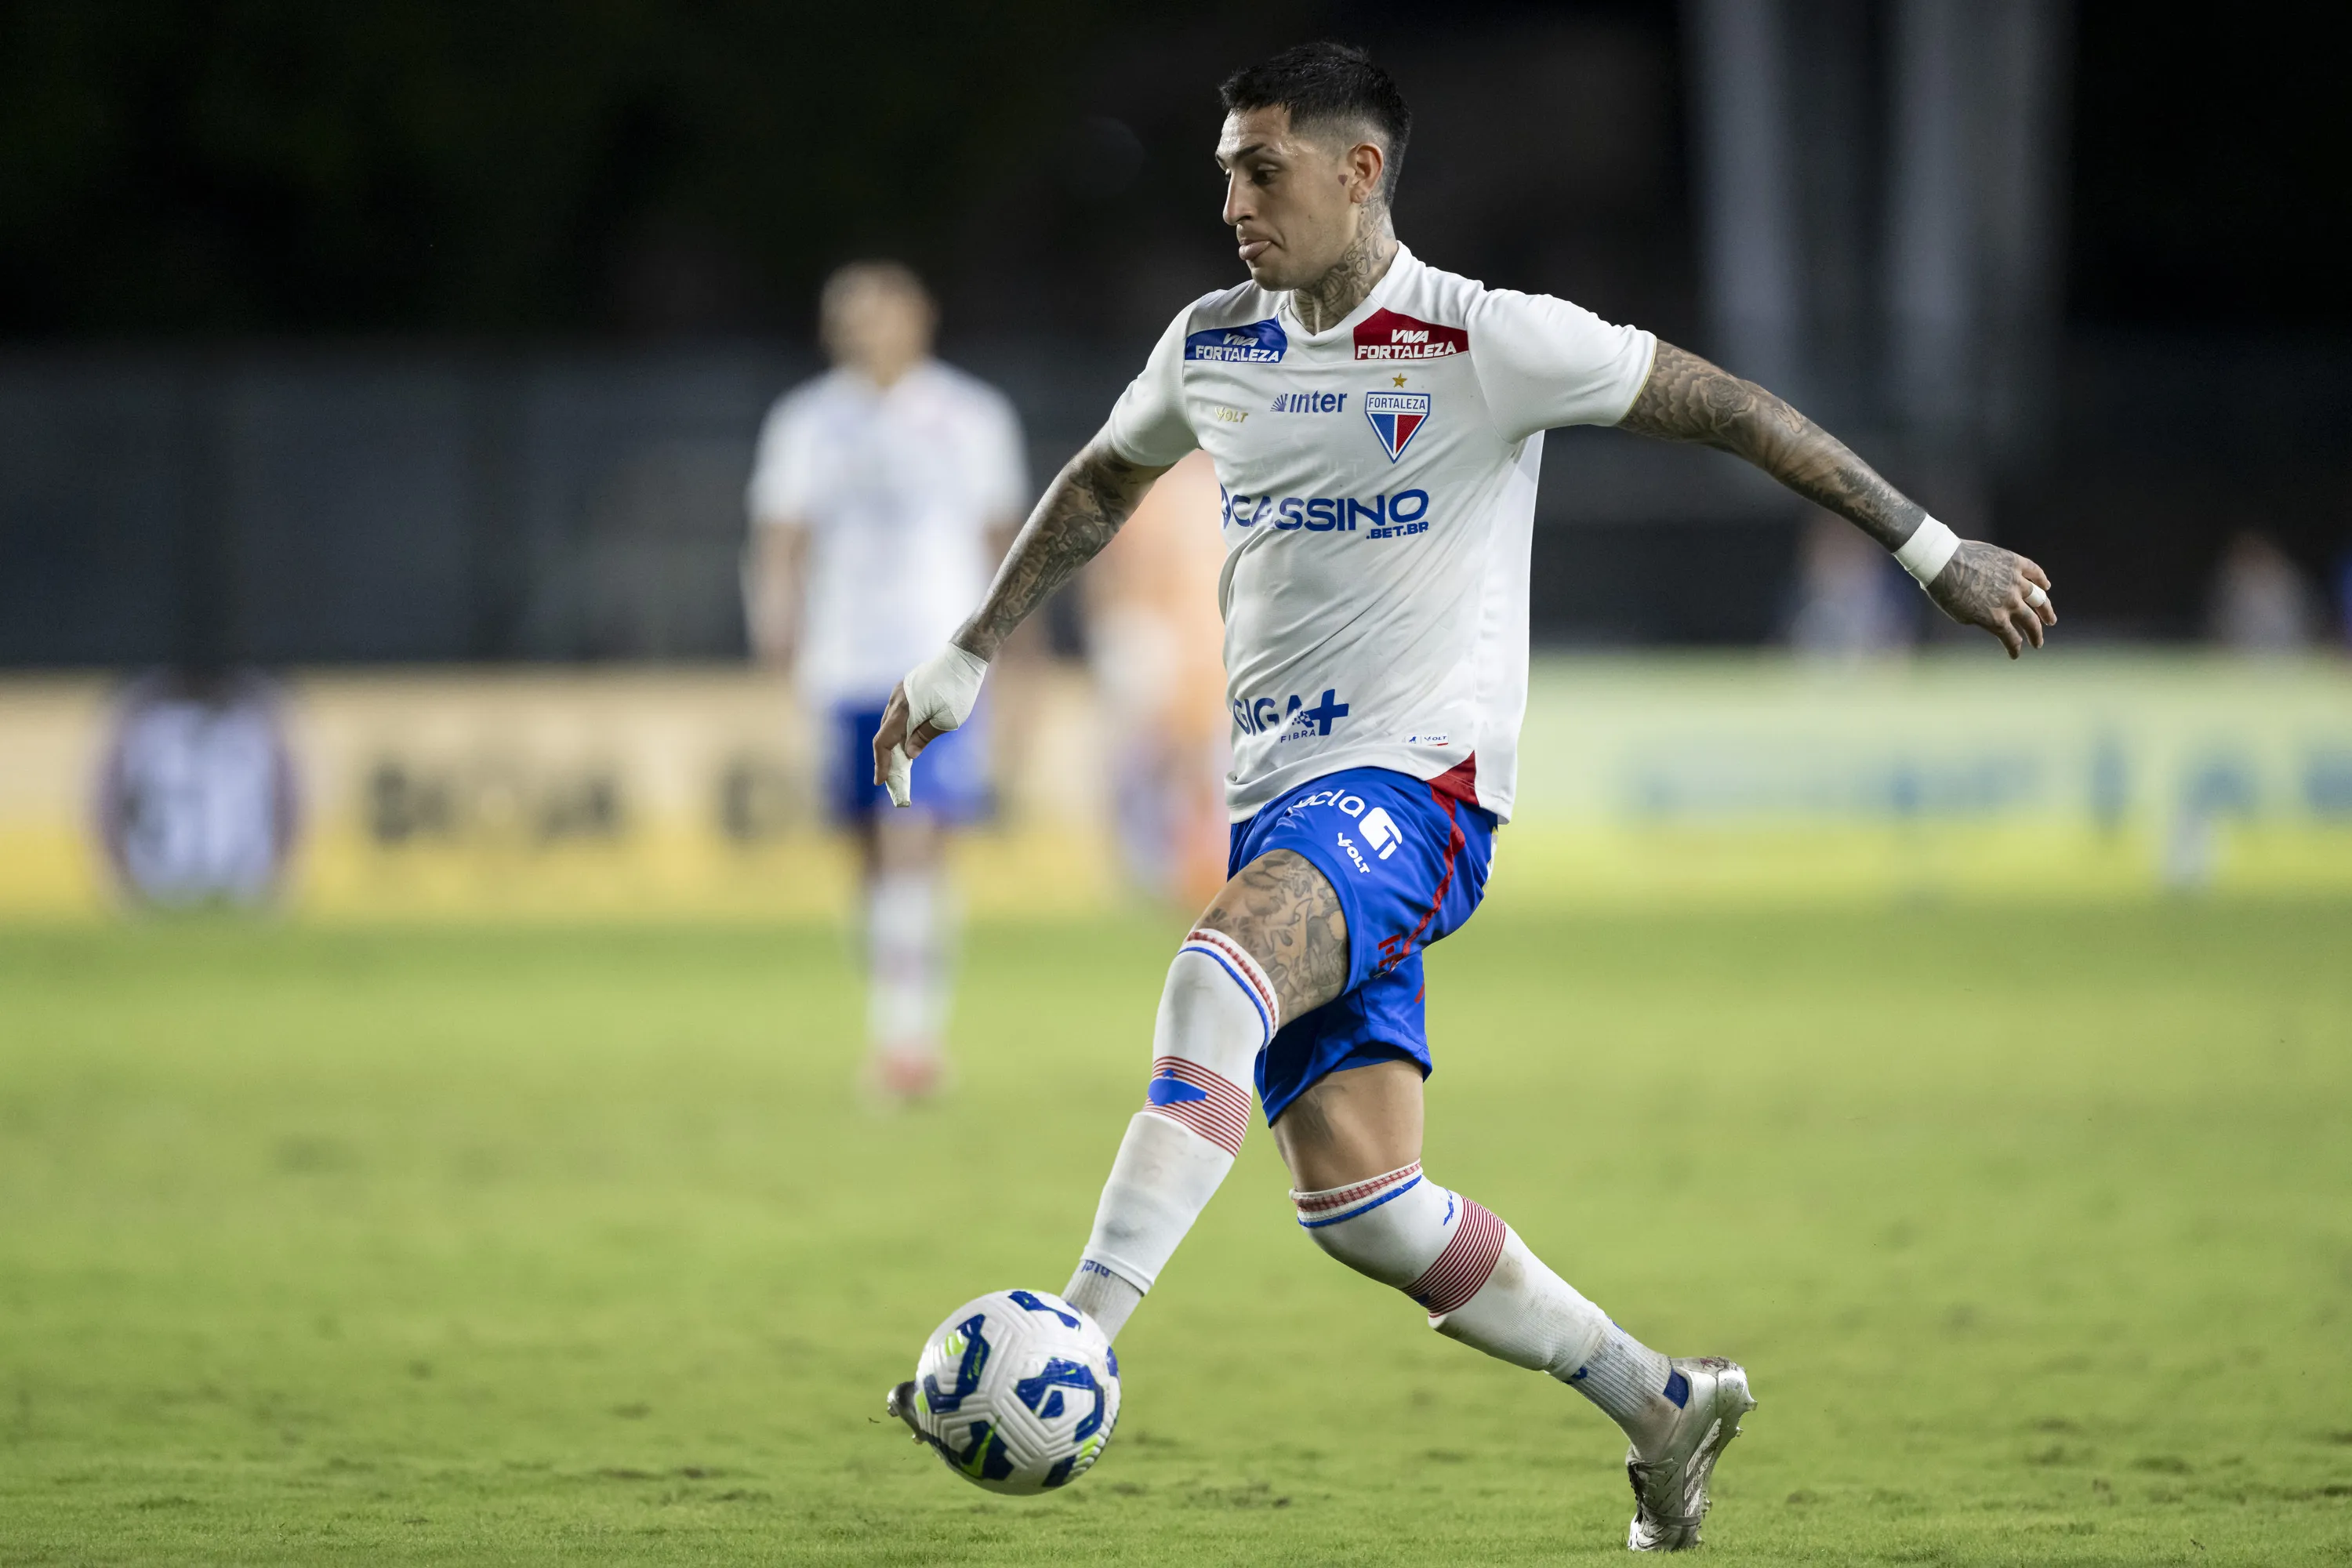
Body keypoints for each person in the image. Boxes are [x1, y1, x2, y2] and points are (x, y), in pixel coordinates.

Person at [877, 43, 2056, 1550]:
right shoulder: (1214, 344)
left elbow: (1733, 410)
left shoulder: (1487, 341)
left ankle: (1078, 1337)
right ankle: (1659, 1401)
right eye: (1226, 174)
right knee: (1365, 1205)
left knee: (1214, 975)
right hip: (1279, 803)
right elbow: (1107, 478)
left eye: (1263, 171)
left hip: (1417, 789)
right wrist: (972, 647)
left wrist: (1931, 550)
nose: (1233, 204)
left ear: (1359, 171)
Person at [745, 261, 1027, 1102]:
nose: (868, 330)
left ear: (921, 318)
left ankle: (907, 1041)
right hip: (842, 659)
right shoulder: (807, 422)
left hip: (937, 655)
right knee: (870, 850)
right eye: (852, 317)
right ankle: (904, 1013)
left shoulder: (971, 416)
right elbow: (781, 536)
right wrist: (775, 630)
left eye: (883, 313)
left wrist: (1019, 649)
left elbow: (1006, 542)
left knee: (914, 830)